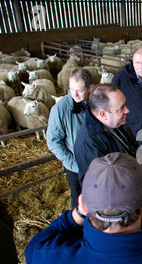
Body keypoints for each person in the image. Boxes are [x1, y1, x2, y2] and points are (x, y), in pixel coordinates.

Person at [74, 84, 142, 225]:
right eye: (121, 108)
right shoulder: (89, 144)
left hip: (138, 203)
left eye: (125, 105)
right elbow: (107, 191)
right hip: (122, 221)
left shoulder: (115, 123)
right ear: (103, 114)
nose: (127, 110)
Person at [47, 68, 93, 208]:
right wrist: (72, 163)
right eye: (72, 89)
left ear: (90, 88)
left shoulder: (97, 102)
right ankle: (79, 229)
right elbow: (53, 142)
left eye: (79, 90)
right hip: (76, 167)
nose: (75, 94)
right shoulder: (60, 109)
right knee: (79, 201)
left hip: (97, 162)